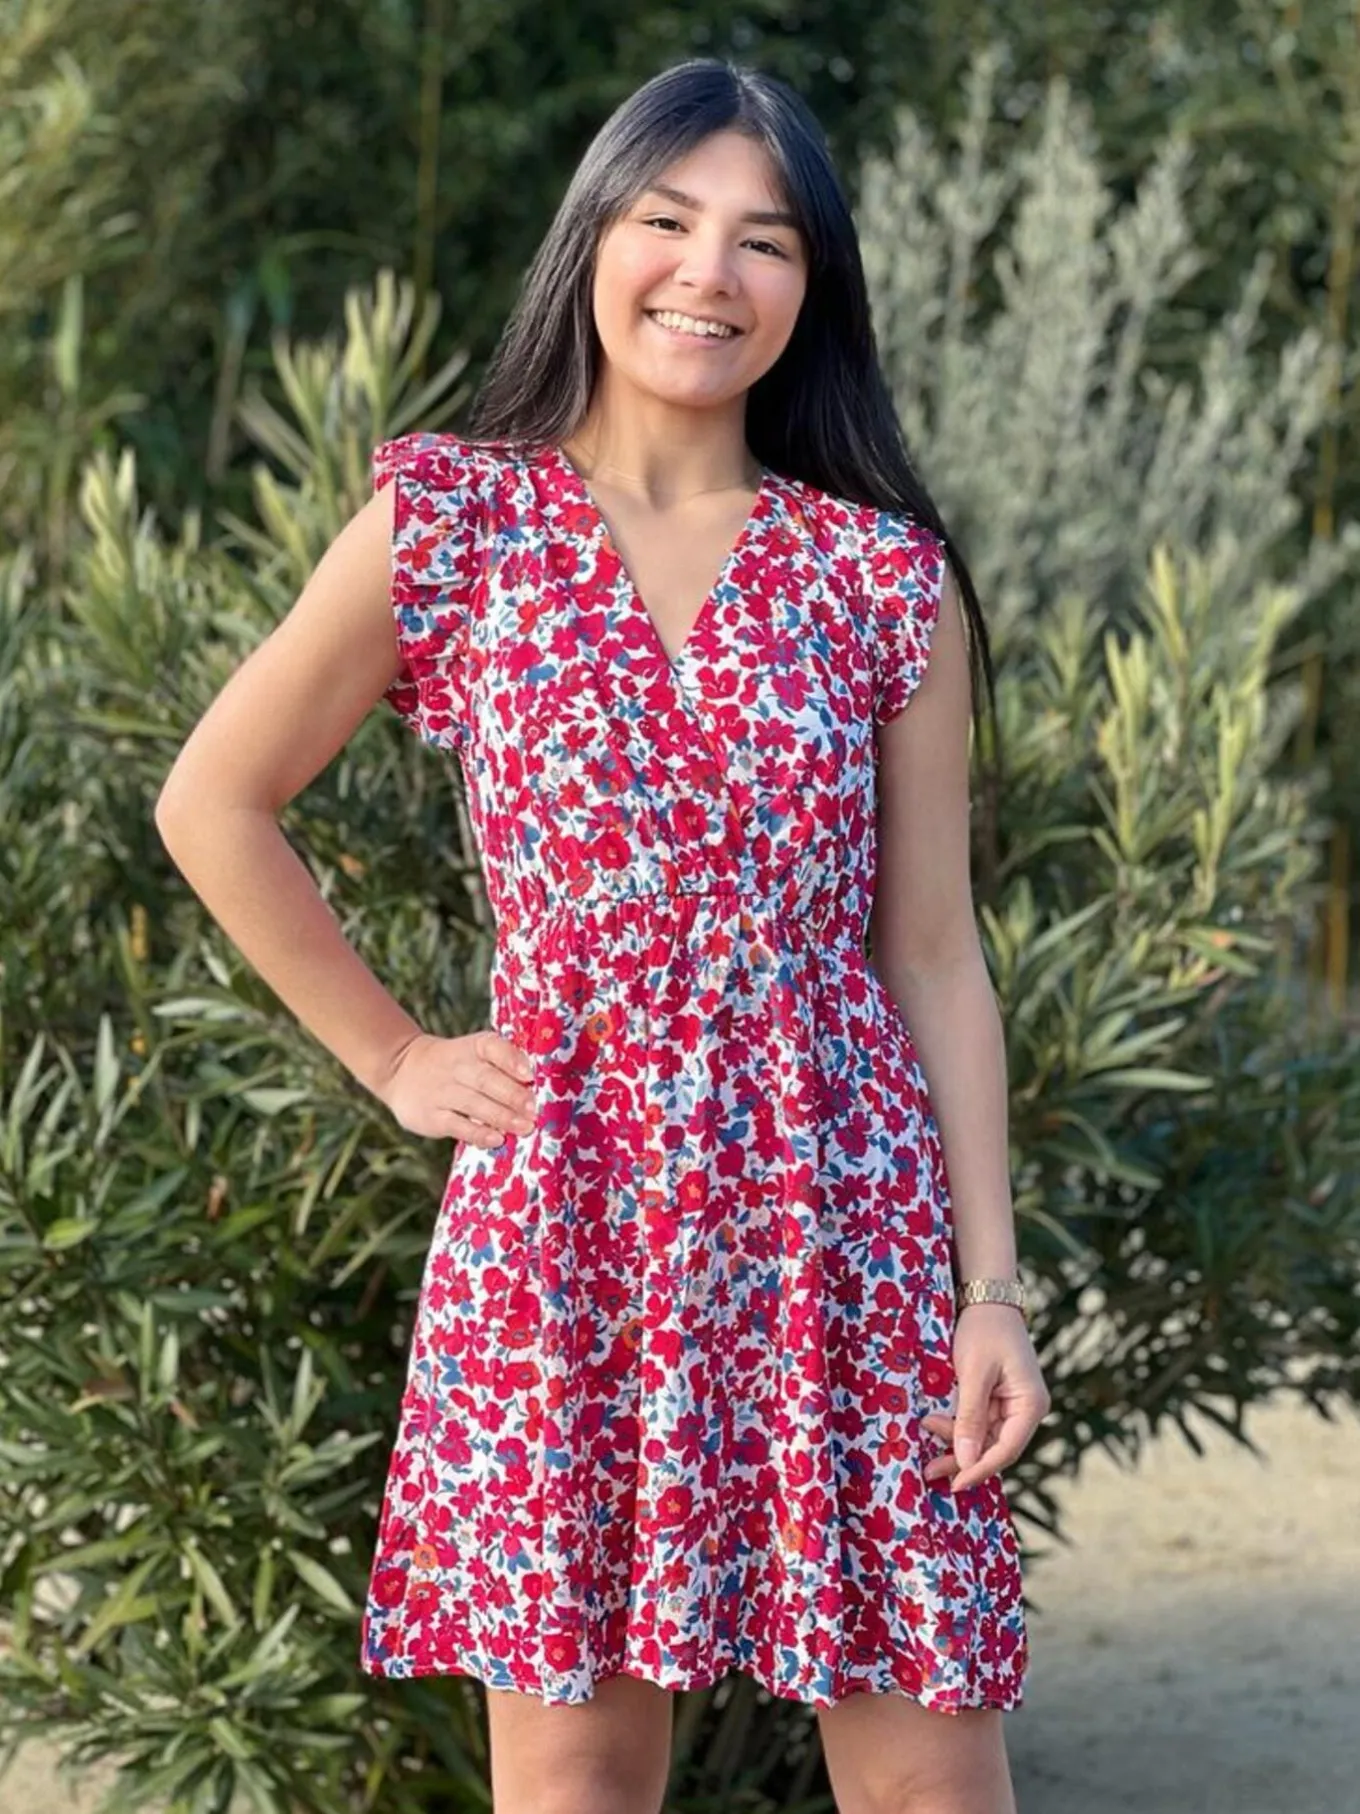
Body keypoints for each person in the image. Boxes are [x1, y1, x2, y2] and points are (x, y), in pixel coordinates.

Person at [155, 53, 1050, 1814]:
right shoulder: (454, 524)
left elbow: (932, 952)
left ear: (814, 288)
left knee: (933, 1768)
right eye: (667, 220)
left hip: (841, 1222)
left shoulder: (881, 578)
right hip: (569, 1212)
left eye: (764, 240)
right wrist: (399, 1056)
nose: (708, 273)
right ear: (595, 239)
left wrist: (991, 1287)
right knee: (570, 1769)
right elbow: (215, 800)